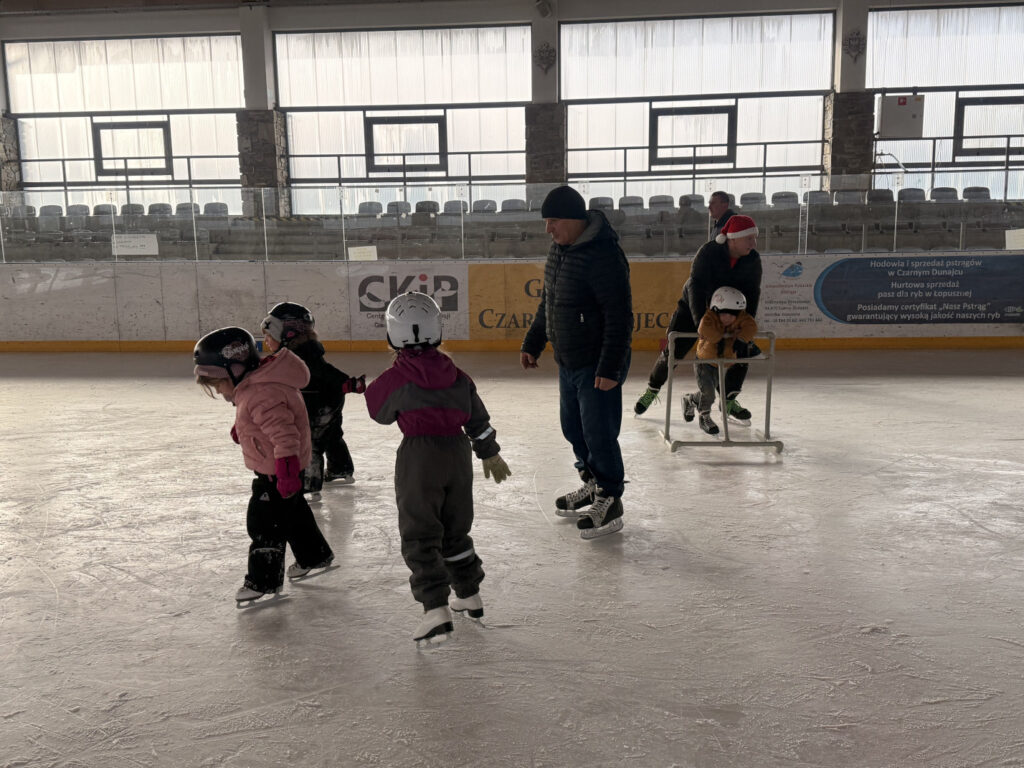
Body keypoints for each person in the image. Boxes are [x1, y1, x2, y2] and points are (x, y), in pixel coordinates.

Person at [365, 291, 511, 644]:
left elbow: (378, 411)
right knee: (454, 529)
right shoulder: (458, 375)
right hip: (458, 454)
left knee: (420, 531)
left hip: (419, 457)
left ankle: (435, 609)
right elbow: (478, 419)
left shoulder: (396, 377)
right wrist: (489, 452)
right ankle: (469, 595)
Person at [521, 185, 633, 540]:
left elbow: (619, 316)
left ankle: (610, 497)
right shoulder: (560, 251)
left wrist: (610, 368)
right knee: (573, 429)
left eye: (553, 221)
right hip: (569, 360)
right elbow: (549, 303)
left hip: (597, 363)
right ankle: (593, 483)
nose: (548, 229)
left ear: (573, 218)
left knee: (599, 434)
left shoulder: (604, 255)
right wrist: (534, 341)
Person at [193, 326, 334, 604]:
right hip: (282, 466)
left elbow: (284, 434)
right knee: (294, 515)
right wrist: (243, 429)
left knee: (263, 524)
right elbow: (263, 421)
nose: (221, 393)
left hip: (277, 471)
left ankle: (263, 581)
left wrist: (287, 472)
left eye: (220, 384)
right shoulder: (256, 385)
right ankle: (314, 555)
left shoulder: (261, 393)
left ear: (234, 369)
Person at [634, 214, 762, 421]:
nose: (754, 243)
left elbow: (752, 294)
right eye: (749, 238)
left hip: (728, 314)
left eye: (755, 238)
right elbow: (695, 288)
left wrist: (745, 330)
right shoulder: (708, 252)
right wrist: (702, 324)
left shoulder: (753, 259)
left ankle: (728, 402)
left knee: (741, 353)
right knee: (673, 351)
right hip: (694, 310)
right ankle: (652, 390)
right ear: (734, 238)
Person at [260, 302, 364, 503]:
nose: (266, 341)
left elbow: (323, 371)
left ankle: (309, 485)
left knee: (310, 441)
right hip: (328, 397)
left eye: (268, 336)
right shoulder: (302, 349)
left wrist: (347, 383)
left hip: (320, 400)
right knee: (331, 434)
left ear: (287, 334)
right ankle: (340, 469)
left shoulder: (302, 353)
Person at [683, 286, 758, 436]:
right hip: (704, 362)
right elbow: (704, 328)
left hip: (722, 363)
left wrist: (742, 339)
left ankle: (690, 399)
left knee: (708, 391)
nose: (728, 318)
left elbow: (751, 326)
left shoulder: (741, 318)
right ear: (716, 310)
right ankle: (704, 416)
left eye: (733, 315)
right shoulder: (710, 317)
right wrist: (727, 335)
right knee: (709, 394)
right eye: (724, 314)